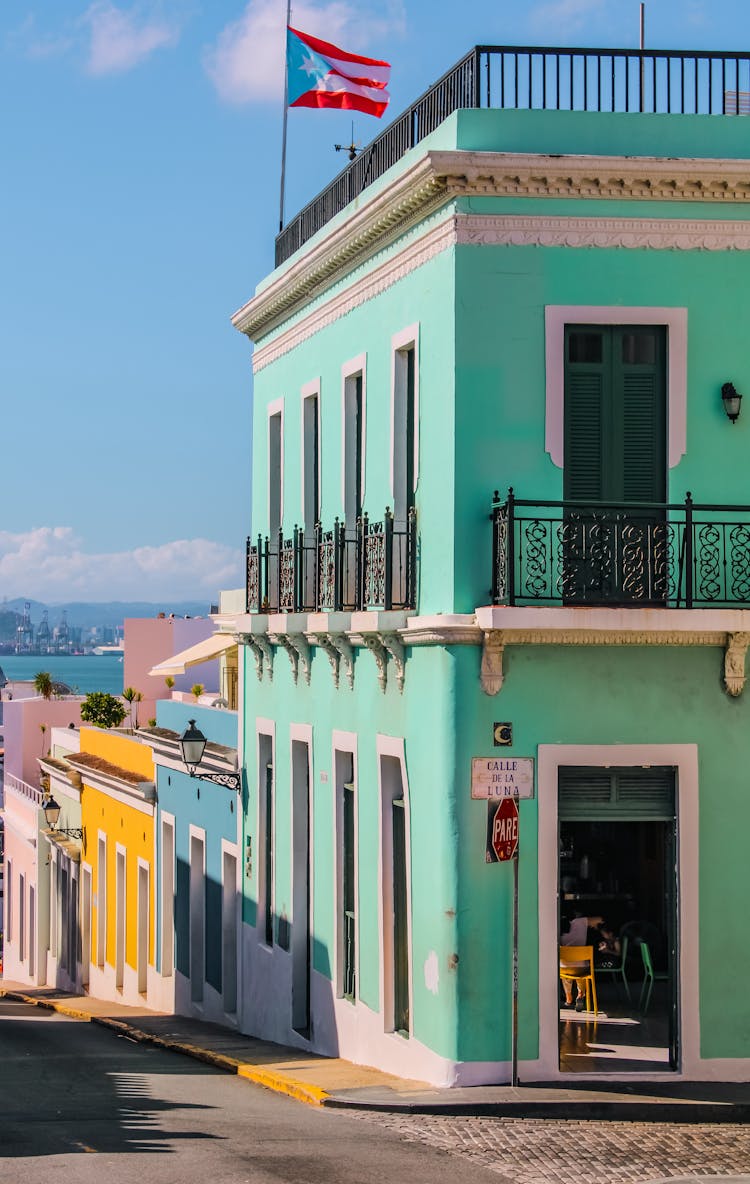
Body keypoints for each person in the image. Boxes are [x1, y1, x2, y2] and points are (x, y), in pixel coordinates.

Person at [560, 914, 603, 1011]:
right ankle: (580, 995)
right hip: (581, 968)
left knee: (565, 973)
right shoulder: (579, 922)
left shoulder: (558, 928)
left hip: (564, 967)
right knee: (581, 971)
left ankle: (568, 998)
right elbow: (599, 919)